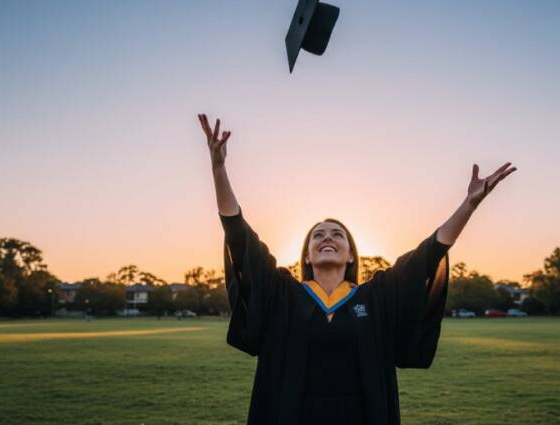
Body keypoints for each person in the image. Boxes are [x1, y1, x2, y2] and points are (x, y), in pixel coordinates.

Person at [198, 113, 516, 425]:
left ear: (351, 255)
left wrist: (469, 205)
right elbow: (240, 238)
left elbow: (427, 256)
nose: (328, 238)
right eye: (318, 235)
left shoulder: (375, 297)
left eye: (338, 235)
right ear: (306, 256)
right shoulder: (282, 293)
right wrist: (219, 170)